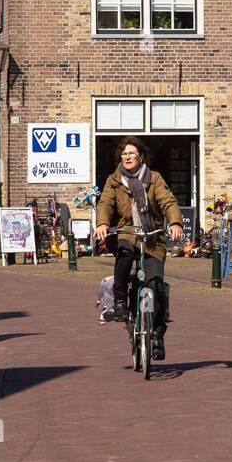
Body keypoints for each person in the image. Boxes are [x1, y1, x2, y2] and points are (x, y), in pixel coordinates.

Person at [95, 137, 183, 361]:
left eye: (131, 153)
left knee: (155, 285)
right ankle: (121, 301)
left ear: (141, 157)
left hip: (152, 235)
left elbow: (168, 202)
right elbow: (105, 203)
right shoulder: (114, 181)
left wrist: (174, 223)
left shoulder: (154, 179)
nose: (127, 157)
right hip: (126, 231)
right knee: (124, 254)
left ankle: (156, 335)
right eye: (124, 154)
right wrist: (103, 223)